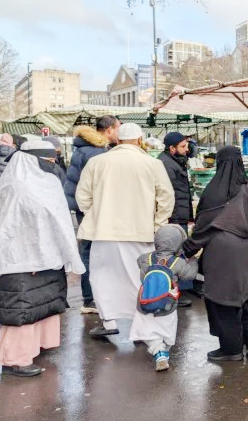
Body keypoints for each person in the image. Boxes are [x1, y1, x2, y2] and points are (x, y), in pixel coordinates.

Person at [0, 142, 85, 377]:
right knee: (22, 309)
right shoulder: (20, 186)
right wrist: (32, 258)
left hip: (46, 259)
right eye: (48, 161)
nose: (53, 164)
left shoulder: (45, 182)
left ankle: (33, 348)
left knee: (41, 305)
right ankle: (15, 358)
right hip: (20, 260)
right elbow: (13, 228)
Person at [75, 122, 174, 338]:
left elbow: (82, 195)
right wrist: (158, 224)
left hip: (103, 233)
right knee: (139, 279)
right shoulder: (152, 163)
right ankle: (143, 326)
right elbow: (166, 197)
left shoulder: (97, 162)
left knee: (103, 278)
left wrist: (95, 214)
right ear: (139, 140)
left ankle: (108, 321)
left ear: (117, 140)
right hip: (141, 232)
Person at [181, 146, 248, 361]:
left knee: (222, 299)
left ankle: (230, 349)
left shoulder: (214, 191)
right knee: (247, 290)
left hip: (222, 252)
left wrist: (188, 249)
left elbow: (203, 228)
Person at [64, 115, 121, 315]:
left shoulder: (85, 148)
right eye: (118, 128)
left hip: (84, 208)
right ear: (109, 130)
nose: (119, 133)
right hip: (92, 209)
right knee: (91, 253)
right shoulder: (95, 153)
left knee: (90, 251)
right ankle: (90, 299)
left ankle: (92, 297)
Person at [133, 224, 198, 371]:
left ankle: (158, 350)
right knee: (167, 327)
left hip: (145, 301)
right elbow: (190, 274)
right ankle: (164, 351)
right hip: (167, 303)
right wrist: (193, 261)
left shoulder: (146, 259)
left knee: (147, 329)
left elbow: (138, 261)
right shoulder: (177, 263)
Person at [158, 132, 193, 231]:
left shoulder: (177, 161)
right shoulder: (166, 164)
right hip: (174, 220)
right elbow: (166, 194)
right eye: (183, 146)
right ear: (172, 148)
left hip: (180, 216)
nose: (187, 149)